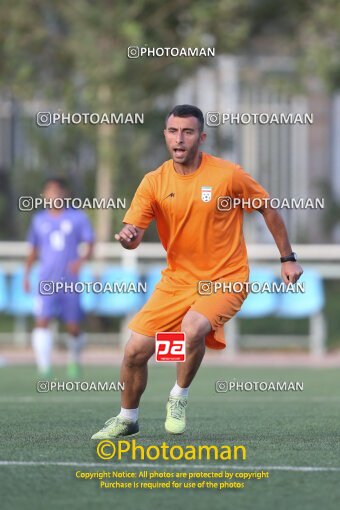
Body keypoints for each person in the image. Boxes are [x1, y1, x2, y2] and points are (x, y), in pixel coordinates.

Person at [91, 104, 303, 439]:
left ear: (200, 137)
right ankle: (127, 417)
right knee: (134, 352)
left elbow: (268, 208)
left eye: (188, 132)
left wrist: (287, 258)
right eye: (173, 131)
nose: (180, 138)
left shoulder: (227, 175)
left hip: (226, 277)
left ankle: (178, 396)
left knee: (192, 328)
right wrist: (128, 238)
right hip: (177, 281)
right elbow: (132, 234)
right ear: (165, 136)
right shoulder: (153, 183)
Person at [24, 177, 95, 378]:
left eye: (56, 191)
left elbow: (90, 242)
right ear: (44, 195)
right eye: (48, 192)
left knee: (73, 326)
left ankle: (74, 359)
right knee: (42, 320)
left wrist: (80, 261)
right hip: (45, 280)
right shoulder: (39, 219)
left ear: (64, 193)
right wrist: (27, 274)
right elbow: (33, 249)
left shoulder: (77, 217)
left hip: (70, 281)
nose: (52, 195)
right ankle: (43, 367)